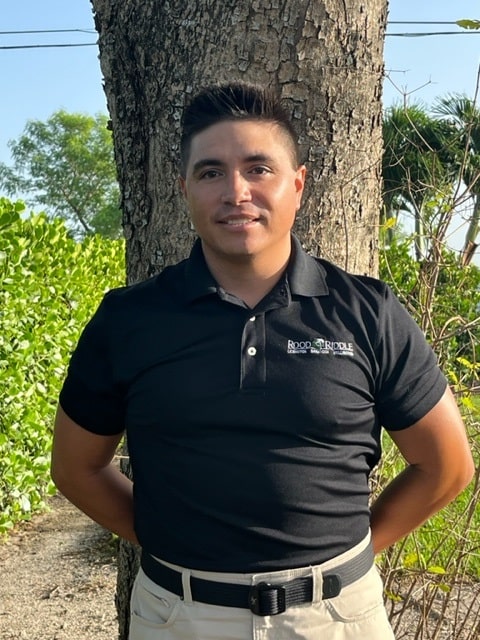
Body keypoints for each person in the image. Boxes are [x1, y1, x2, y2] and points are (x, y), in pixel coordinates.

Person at [51, 82, 474, 640]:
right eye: (210, 173)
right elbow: (76, 467)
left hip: (337, 618)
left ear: (297, 185)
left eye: (259, 169)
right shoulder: (129, 319)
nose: (236, 191)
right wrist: (170, 537)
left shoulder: (368, 312)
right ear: (185, 190)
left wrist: (343, 561)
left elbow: (447, 466)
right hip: (178, 617)